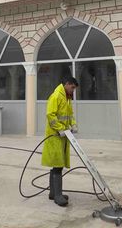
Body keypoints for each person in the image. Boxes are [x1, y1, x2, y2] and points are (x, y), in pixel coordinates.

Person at [41, 76, 78, 207]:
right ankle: (57, 195)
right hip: (55, 136)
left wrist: (73, 125)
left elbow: (70, 114)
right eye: (72, 87)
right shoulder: (56, 96)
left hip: (63, 136)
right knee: (57, 165)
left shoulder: (66, 98)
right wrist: (60, 128)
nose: (73, 91)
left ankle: (53, 193)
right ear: (67, 84)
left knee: (58, 165)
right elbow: (50, 115)